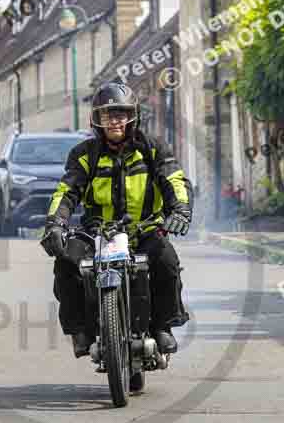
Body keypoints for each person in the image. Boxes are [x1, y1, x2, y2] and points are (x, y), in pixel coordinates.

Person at [40, 82, 193, 359]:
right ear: (96, 120)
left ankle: (162, 326)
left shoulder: (153, 148)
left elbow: (174, 179)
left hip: (144, 229)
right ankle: (80, 330)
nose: (114, 121)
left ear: (133, 116)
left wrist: (180, 210)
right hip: (97, 233)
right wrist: (55, 224)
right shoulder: (84, 154)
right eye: (107, 115)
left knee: (167, 260)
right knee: (65, 261)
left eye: (120, 114)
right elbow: (67, 191)